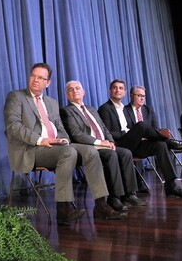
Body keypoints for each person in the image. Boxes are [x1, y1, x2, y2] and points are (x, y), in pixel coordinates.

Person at [4, 64, 125, 222]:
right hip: (31, 148)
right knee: (69, 152)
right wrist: (41, 140)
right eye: (33, 75)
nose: (35, 80)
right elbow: (13, 126)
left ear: (48, 83)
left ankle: (101, 206)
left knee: (90, 151)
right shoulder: (16, 96)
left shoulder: (52, 102)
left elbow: (60, 128)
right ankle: (63, 209)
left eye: (41, 78)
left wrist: (63, 140)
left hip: (56, 146)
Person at [60, 81, 146, 212]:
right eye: (71, 90)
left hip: (104, 144)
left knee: (125, 153)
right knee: (111, 155)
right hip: (89, 148)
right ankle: (114, 197)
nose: (75, 91)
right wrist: (100, 143)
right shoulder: (66, 111)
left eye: (78, 88)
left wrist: (111, 141)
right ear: (67, 95)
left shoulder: (91, 109)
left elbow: (104, 128)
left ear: (83, 92)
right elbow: (76, 134)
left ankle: (129, 194)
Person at [98, 80, 182, 198]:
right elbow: (106, 133)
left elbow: (151, 128)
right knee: (141, 125)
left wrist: (136, 134)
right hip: (120, 145)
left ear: (125, 92)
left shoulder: (123, 108)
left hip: (136, 144)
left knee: (161, 145)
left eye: (121, 88)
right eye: (115, 88)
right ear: (110, 90)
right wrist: (128, 133)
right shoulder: (105, 108)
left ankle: (171, 186)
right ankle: (169, 142)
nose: (118, 90)